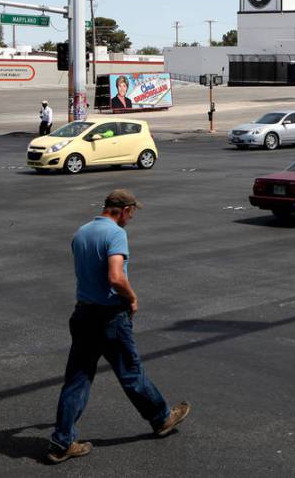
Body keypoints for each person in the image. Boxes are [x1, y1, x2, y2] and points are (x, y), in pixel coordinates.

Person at [47, 189, 190, 464]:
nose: (132, 217)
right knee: (131, 373)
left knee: (77, 380)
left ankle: (62, 442)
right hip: (109, 317)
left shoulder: (82, 232)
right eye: (132, 212)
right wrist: (132, 297)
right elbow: (115, 277)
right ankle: (161, 418)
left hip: (83, 314)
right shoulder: (115, 234)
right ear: (123, 210)